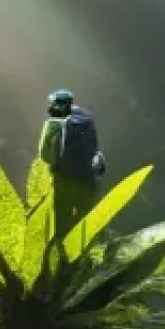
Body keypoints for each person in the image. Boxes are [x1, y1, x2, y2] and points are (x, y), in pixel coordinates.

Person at [38, 89, 105, 238]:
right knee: (85, 222)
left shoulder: (53, 124)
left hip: (64, 179)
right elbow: (94, 148)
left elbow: (45, 155)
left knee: (62, 222)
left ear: (58, 105)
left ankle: (62, 247)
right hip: (87, 180)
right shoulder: (86, 119)